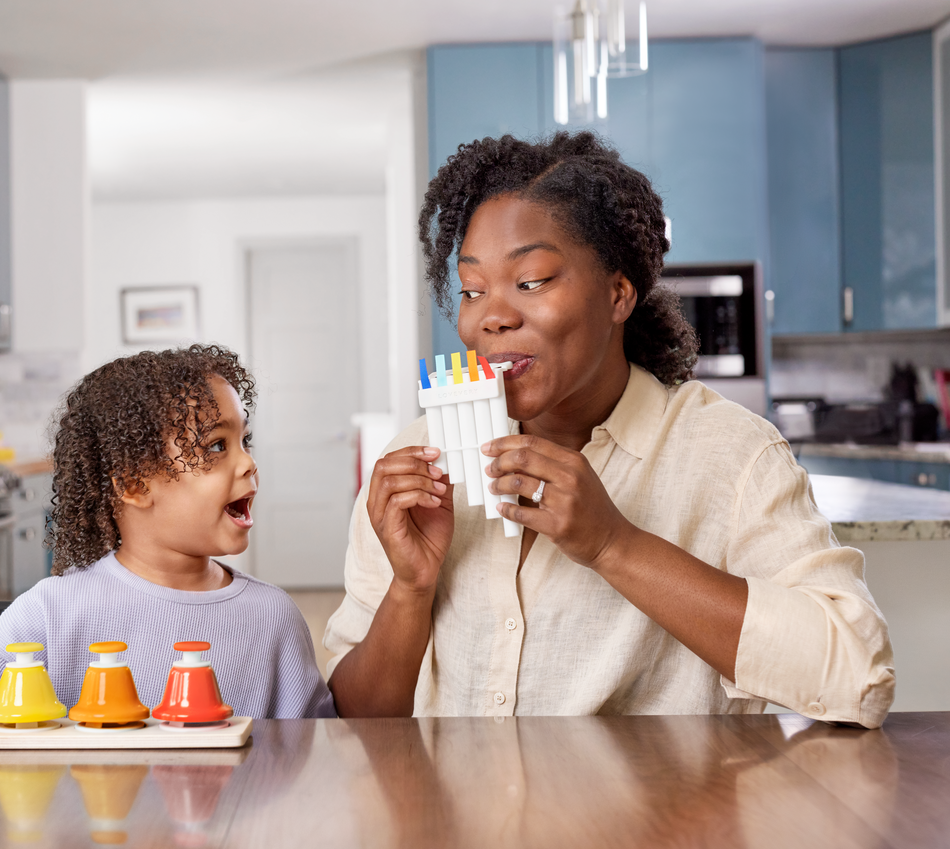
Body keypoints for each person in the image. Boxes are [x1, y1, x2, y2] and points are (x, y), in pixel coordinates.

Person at [324, 132, 894, 727]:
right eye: (471, 290)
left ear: (618, 293)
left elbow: (859, 677)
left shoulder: (731, 455)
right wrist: (410, 591)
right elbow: (358, 722)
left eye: (532, 281)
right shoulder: (417, 458)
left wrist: (614, 545)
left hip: (658, 818)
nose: (491, 317)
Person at [0, 345, 335, 719]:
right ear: (132, 484)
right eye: (218, 446)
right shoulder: (53, 611)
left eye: (245, 442)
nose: (248, 465)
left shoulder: (273, 618)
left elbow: (312, 749)